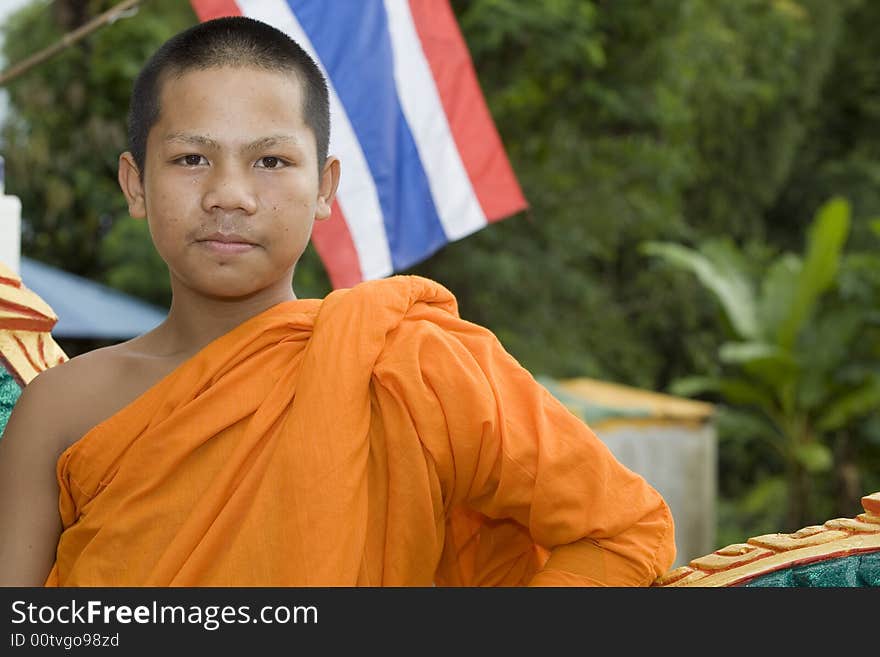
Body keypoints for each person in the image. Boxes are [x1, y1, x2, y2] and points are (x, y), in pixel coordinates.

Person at [0, 16, 675, 587]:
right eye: (190, 159)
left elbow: (623, 530)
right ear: (135, 182)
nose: (229, 194)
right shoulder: (61, 408)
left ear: (325, 188)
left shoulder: (411, 363)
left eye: (270, 162)